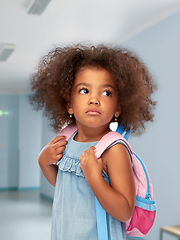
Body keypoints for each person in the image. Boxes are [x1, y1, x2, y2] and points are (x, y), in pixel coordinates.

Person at [29, 44, 157, 240]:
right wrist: (43, 162)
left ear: (118, 108)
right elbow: (66, 188)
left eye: (106, 93)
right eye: (84, 90)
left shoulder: (114, 149)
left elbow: (124, 212)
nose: (94, 99)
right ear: (69, 105)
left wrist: (95, 179)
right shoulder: (67, 139)